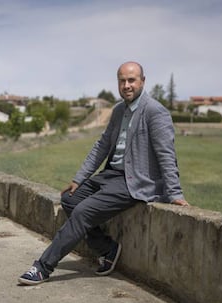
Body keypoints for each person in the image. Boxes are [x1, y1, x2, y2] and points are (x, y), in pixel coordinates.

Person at [18, 61, 189, 285]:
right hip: (110, 175)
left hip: (132, 182)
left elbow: (166, 155)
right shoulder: (119, 110)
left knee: (82, 212)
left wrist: (175, 193)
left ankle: (42, 267)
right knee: (69, 199)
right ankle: (107, 249)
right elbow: (101, 146)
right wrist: (78, 179)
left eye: (131, 80)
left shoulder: (156, 112)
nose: (126, 85)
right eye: (122, 80)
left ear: (142, 82)